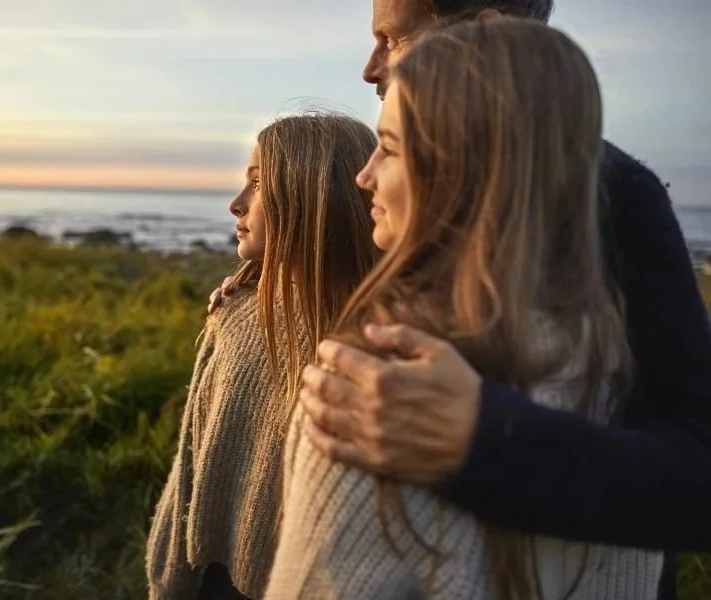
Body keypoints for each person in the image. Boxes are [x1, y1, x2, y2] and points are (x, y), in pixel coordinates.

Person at [290, 1, 711, 598]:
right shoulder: (427, 206)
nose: (370, 66)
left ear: (487, 34)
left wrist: (483, 438)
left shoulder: (616, 193)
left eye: (394, 38)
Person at [145, 112, 379, 600]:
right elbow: (194, 459)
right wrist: (169, 578)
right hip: (210, 574)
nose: (236, 205)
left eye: (258, 183)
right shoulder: (236, 315)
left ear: (314, 197)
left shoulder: (379, 345)